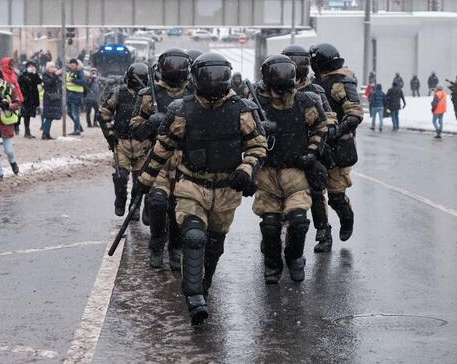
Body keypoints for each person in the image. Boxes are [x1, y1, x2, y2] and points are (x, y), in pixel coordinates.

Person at [134, 52, 267, 327]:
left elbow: (257, 145)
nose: (214, 82)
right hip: (192, 184)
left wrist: (246, 169)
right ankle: (193, 297)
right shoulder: (182, 110)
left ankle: (203, 288)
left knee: (213, 247)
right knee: (193, 237)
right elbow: (162, 148)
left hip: (227, 190)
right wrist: (145, 181)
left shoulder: (242, 110)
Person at [251, 55, 327, 285]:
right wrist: (259, 130)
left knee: (298, 221)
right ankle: (272, 265)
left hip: (296, 171)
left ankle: (294, 257)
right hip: (267, 173)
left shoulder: (306, 102)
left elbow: (321, 126)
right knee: (271, 224)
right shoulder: (256, 104)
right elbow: (241, 133)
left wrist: (312, 153)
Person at [130, 48, 191, 269]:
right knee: (157, 202)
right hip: (158, 158)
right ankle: (157, 242)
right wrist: (151, 124)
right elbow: (135, 130)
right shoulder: (149, 95)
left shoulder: (194, 94)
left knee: (178, 207)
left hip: (186, 160)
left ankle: (175, 247)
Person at [282, 45, 337, 253]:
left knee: (315, 193)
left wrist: (318, 142)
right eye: (293, 61)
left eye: (301, 61)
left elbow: (329, 118)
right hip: (282, 151)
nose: (297, 66)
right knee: (275, 197)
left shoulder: (316, 91)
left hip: (309, 151)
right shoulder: (269, 88)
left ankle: (324, 232)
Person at [311, 43, 363, 245]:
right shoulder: (314, 82)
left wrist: (335, 131)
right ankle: (323, 233)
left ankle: (346, 218)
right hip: (317, 145)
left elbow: (355, 114)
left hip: (338, 146)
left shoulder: (341, 82)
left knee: (335, 196)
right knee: (316, 192)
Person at [98, 63, 150, 218]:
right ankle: (120, 201)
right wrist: (110, 134)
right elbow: (104, 113)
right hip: (122, 142)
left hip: (143, 144)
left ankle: (135, 206)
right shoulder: (119, 93)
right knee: (121, 177)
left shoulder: (149, 96)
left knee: (140, 180)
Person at [18, 60, 42, 138]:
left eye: (33, 66)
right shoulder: (23, 75)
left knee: (29, 115)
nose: (31, 68)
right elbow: (21, 83)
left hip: (33, 98)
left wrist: (35, 74)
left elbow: (39, 81)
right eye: (30, 66)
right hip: (26, 98)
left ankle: (28, 131)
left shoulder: (34, 75)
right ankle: (26, 131)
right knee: (26, 115)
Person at [41, 62, 63, 139]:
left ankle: (47, 133)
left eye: (54, 67)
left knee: (50, 117)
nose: (53, 68)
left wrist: (58, 75)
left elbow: (60, 83)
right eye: (51, 67)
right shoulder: (45, 75)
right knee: (48, 117)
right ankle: (44, 133)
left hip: (54, 99)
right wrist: (56, 75)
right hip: (48, 98)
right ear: (48, 68)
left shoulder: (54, 76)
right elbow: (49, 83)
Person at [65, 58, 87, 135]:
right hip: (69, 95)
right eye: (71, 64)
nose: (72, 65)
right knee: (69, 112)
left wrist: (74, 80)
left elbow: (83, 82)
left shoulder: (79, 72)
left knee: (75, 113)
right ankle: (79, 127)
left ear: (76, 65)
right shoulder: (69, 72)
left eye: (73, 64)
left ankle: (77, 130)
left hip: (77, 95)